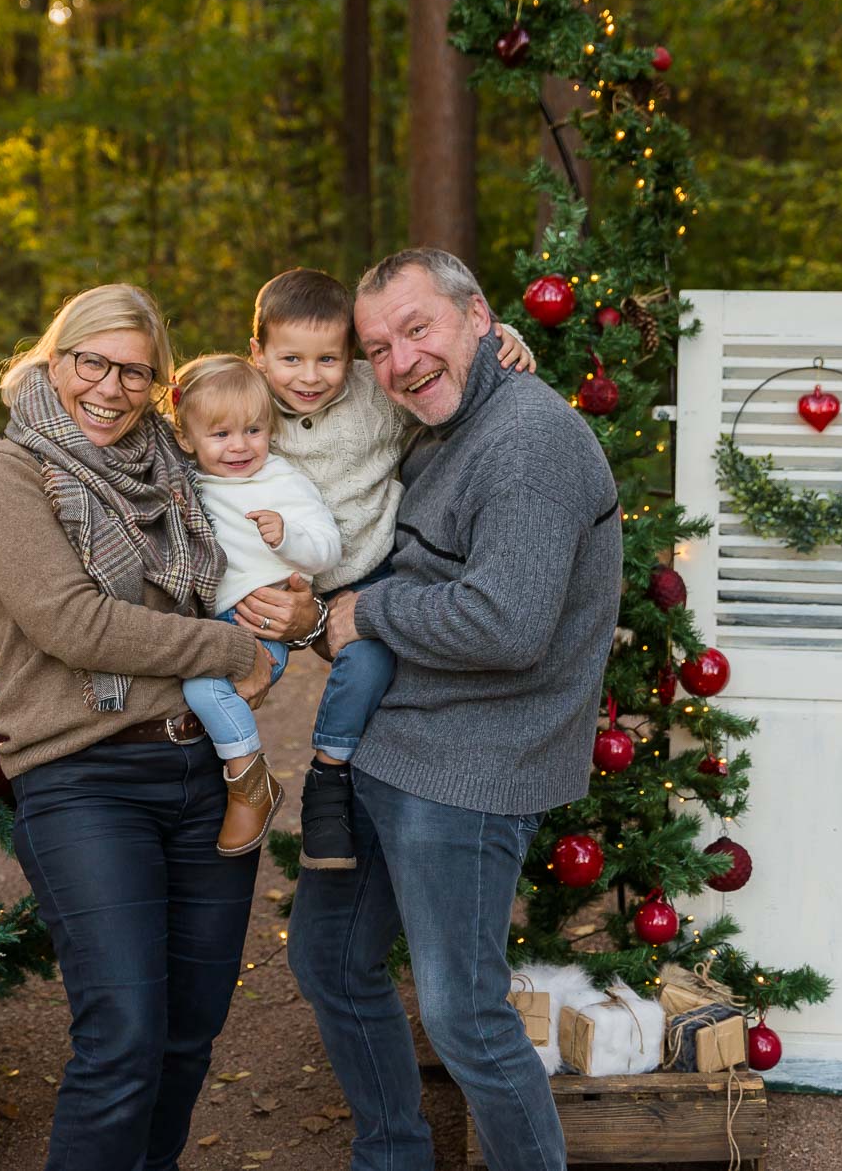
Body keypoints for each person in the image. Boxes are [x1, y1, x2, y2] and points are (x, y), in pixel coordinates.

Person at [0, 284, 325, 1171]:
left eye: (136, 372)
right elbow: (73, 623)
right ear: (57, 360)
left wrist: (296, 610)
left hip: (209, 779)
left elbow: (318, 408)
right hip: (84, 777)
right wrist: (226, 649)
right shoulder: (8, 474)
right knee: (122, 1037)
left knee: (188, 1037)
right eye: (95, 363)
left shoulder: (181, 468)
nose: (112, 388)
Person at [287, 249, 623, 1171]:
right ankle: (394, 1154)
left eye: (418, 328)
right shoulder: (435, 424)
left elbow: (509, 623)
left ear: (479, 317)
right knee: (329, 961)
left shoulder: (530, 441)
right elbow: (264, 389)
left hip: (474, 766)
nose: (400, 360)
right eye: (378, 347)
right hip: (390, 747)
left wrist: (361, 613)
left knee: (463, 1012)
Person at [244, 267, 535, 870]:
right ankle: (234, 775)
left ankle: (328, 776)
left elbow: (436, 376)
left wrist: (502, 338)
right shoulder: (246, 397)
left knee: (370, 660)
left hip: (361, 570)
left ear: (350, 358)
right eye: (290, 359)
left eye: (328, 360)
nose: (308, 377)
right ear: (258, 355)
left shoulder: (373, 396)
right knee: (235, 664)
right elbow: (187, 407)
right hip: (270, 569)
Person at [171, 354, 342, 855]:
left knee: (203, 686)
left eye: (253, 430)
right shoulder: (191, 483)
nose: (240, 446)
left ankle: (249, 782)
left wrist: (287, 536)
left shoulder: (281, 482)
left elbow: (328, 547)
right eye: (220, 435)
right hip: (217, 619)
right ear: (188, 440)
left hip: (266, 618)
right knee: (203, 693)